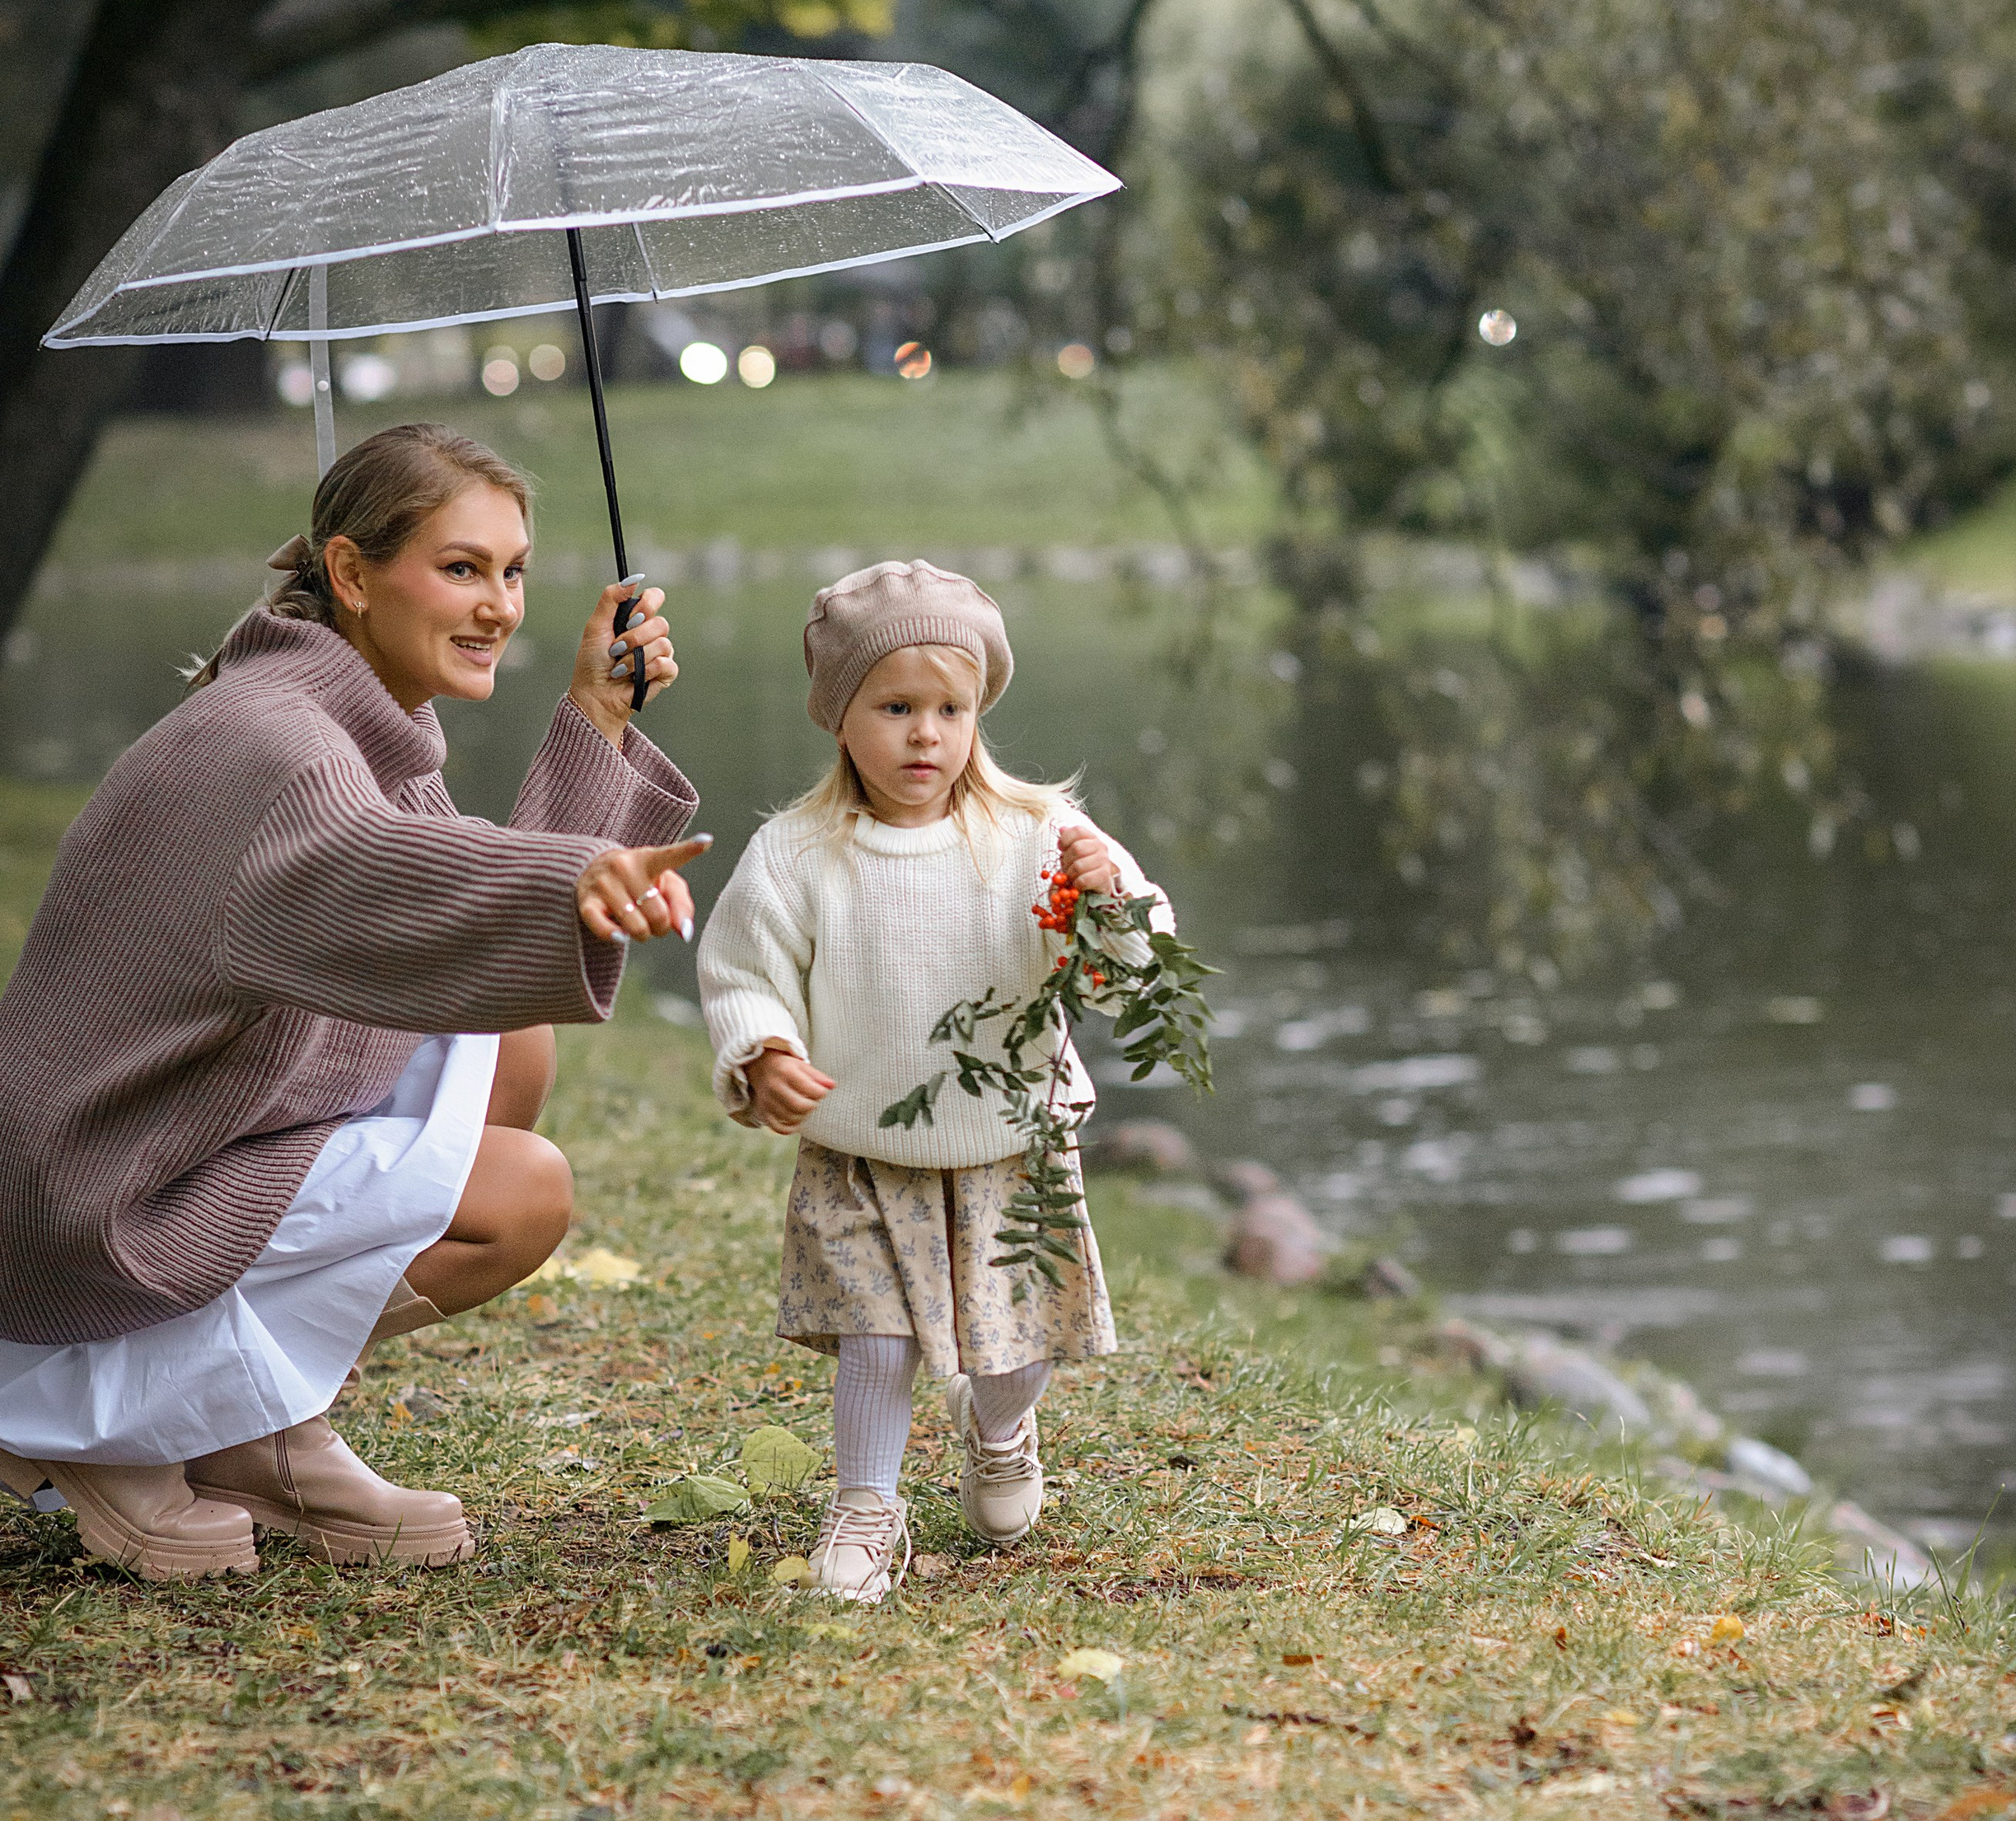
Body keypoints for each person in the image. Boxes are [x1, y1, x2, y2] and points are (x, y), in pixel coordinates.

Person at [0, 421, 703, 1583]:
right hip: (84, 1203)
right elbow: (381, 867)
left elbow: (460, 916)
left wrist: (597, 719)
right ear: (350, 571)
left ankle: (249, 1422)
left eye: (514, 569)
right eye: (462, 567)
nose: (499, 605)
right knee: (521, 1192)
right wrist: (574, 875)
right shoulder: (277, 741)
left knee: (512, 1045)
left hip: (163, 1147)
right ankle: (107, 1419)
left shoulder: (346, 719)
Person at [695, 558, 1168, 1602]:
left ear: (978, 713)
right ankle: (866, 1504)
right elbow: (742, 972)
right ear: (839, 717)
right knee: (877, 1340)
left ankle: (999, 1424)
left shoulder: (1035, 837)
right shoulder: (798, 853)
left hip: (1007, 1143)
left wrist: (1112, 902)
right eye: (895, 706)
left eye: (948, 708)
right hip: (865, 1148)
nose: (924, 734)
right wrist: (761, 1051)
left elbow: (1133, 957)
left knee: (1012, 1344)